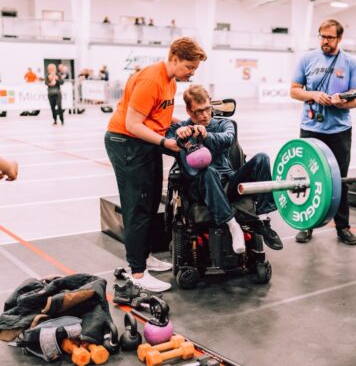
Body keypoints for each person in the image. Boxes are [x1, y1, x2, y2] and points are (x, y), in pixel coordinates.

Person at [104, 37, 207, 292]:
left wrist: (185, 124)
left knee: (150, 204)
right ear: (174, 58)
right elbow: (132, 124)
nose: (192, 73)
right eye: (189, 67)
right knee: (137, 207)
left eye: (195, 69)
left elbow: (160, 113)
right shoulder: (152, 80)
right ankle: (137, 273)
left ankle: (144, 256)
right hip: (127, 143)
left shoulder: (170, 81)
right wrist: (164, 143)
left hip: (144, 143)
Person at [166, 85, 283, 253]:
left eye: (207, 109)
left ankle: (263, 221)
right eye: (199, 111)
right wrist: (179, 136)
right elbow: (164, 143)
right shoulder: (181, 128)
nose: (205, 115)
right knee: (207, 170)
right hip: (200, 188)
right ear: (189, 112)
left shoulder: (224, 124)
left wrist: (206, 135)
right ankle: (233, 225)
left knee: (262, 158)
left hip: (228, 183)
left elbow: (228, 139)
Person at [290, 19, 356, 245]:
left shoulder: (351, 63)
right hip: (311, 129)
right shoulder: (307, 59)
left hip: (339, 131)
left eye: (330, 37)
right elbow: (294, 91)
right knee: (309, 177)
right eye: (322, 36)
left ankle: (343, 227)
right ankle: (308, 224)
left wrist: (342, 102)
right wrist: (313, 95)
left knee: (340, 180)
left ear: (339, 39)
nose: (325, 41)